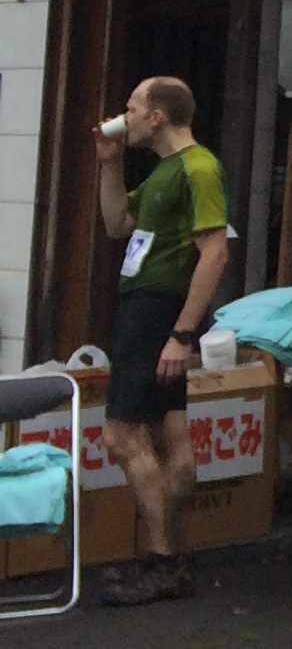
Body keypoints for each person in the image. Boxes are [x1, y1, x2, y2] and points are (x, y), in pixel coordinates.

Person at [90, 78, 234, 607]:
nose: (124, 117)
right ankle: (172, 553)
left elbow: (214, 252)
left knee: (121, 434)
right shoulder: (163, 171)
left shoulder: (198, 167)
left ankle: (160, 557)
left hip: (157, 309)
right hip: (148, 306)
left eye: (131, 108)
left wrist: (181, 333)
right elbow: (117, 223)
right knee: (170, 429)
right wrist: (109, 163)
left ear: (157, 116)